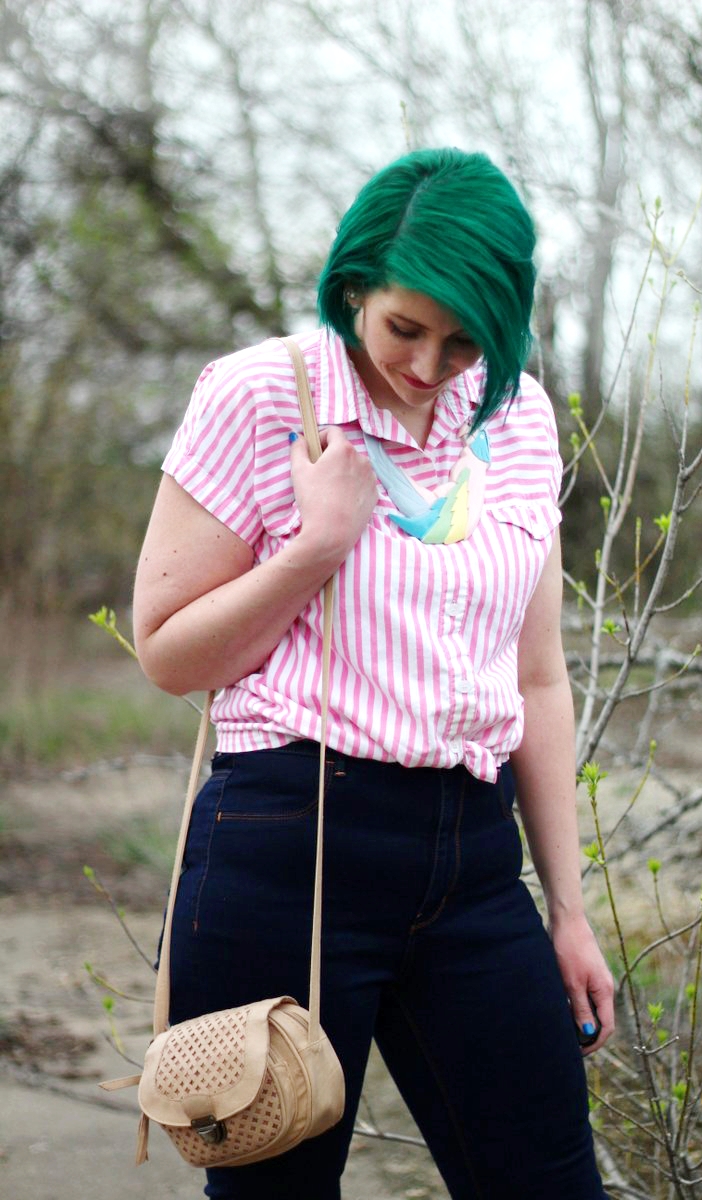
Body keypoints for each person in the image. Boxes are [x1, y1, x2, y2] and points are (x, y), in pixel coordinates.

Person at [133, 147, 615, 1200]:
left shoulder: (517, 417)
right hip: (287, 851)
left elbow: (535, 679)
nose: (430, 366)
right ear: (353, 285)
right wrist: (312, 550)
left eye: (462, 339)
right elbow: (167, 651)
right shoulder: (260, 394)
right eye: (405, 328)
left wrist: (567, 913)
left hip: (472, 863)